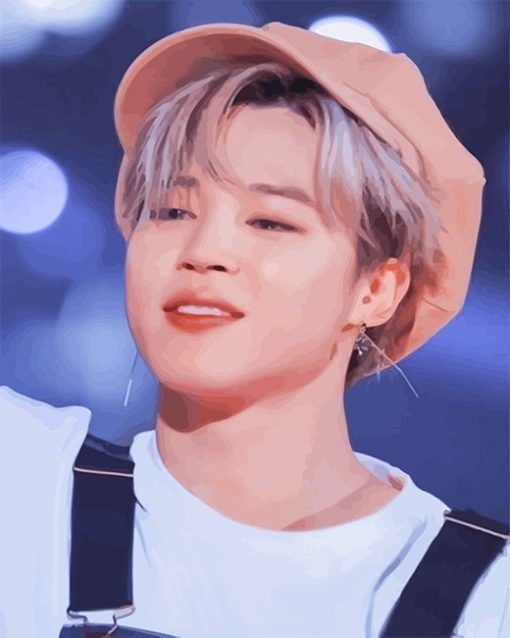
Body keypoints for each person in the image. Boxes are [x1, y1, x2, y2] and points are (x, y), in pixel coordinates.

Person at [1, 21, 508, 638]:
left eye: (270, 222)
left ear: (377, 289)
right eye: (171, 210)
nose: (203, 251)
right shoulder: (22, 481)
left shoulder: (488, 602)